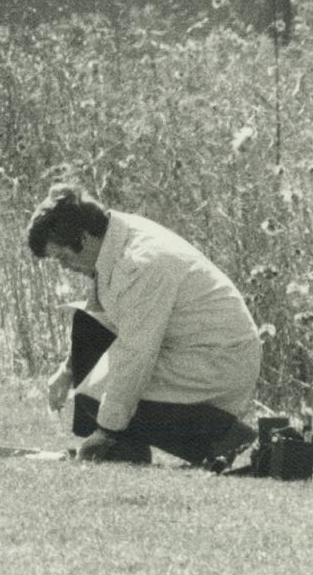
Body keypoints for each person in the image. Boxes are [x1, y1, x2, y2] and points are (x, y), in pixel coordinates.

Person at [27, 183, 261, 466]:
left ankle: (221, 437)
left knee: (95, 398)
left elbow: (137, 352)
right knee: (90, 379)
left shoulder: (139, 262)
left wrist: (106, 429)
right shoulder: (113, 239)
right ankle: (127, 452)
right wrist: (67, 371)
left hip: (219, 361)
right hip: (194, 353)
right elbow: (105, 321)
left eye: (64, 257)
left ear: (85, 238)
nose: (64, 267)